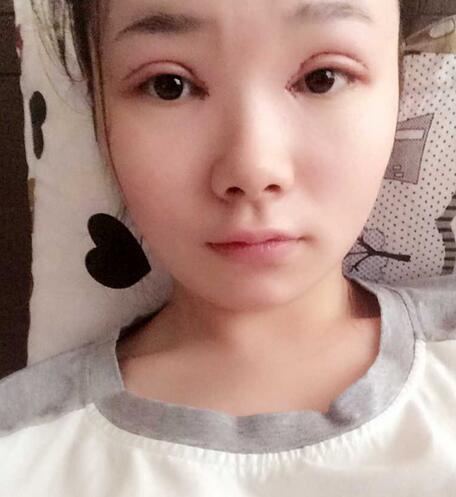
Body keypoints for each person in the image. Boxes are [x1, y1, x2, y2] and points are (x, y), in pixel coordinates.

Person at [2, 0, 456, 494]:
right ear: (100, 108)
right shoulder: (22, 454)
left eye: (322, 79)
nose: (252, 169)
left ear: (398, 89)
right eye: (169, 86)